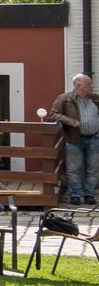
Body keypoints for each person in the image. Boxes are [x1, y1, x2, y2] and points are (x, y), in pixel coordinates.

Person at [50, 74, 99, 205]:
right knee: (74, 168)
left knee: (93, 168)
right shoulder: (64, 98)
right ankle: (75, 194)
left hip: (94, 138)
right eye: (88, 84)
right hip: (74, 139)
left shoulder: (95, 98)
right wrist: (71, 121)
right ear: (78, 85)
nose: (91, 86)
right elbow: (53, 114)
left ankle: (89, 194)